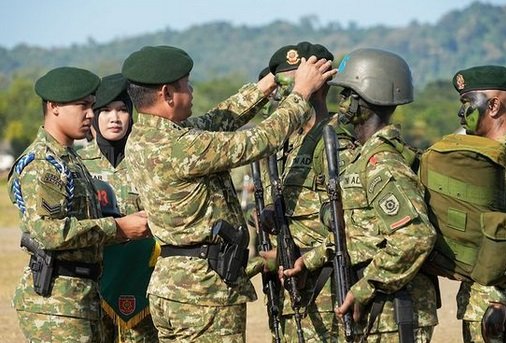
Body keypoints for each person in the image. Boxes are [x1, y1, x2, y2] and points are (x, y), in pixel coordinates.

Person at [120, 45, 336, 342]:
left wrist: (268, 84)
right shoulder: (179, 147)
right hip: (204, 291)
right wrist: (300, 93)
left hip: (174, 287)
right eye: (186, 84)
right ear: (167, 94)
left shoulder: (147, 137)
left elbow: (217, 121)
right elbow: (259, 140)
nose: (192, 90)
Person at [283, 48, 438, 342]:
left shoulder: (383, 165)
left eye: (345, 95)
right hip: (378, 312)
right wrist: (312, 259)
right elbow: (360, 232)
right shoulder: (364, 159)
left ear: (361, 100)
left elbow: (416, 237)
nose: (339, 103)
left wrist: (366, 286)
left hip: (394, 313)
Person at [7, 66, 150, 342]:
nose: (90, 114)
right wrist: (117, 228)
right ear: (55, 106)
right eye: (83, 106)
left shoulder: (69, 159)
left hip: (79, 297)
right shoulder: (43, 163)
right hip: (57, 305)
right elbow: (49, 233)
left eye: (91, 106)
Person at [260, 41, 357, 342]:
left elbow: (356, 224)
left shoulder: (339, 140)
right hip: (289, 294)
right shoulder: (279, 145)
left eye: (300, 81)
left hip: (330, 292)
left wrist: (309, 258)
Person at [79, 73, 159, 342]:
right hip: (95, 283)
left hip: (143, 280)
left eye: (122, 110)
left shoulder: (147, 159)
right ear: (94, 116)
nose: (115, 118)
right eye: (106, 111)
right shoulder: (78, 165)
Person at [451, 65, 506, 343]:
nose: (462, 113)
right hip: (477, 303)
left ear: (494, 106)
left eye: (468, 103)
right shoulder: (473, 156)